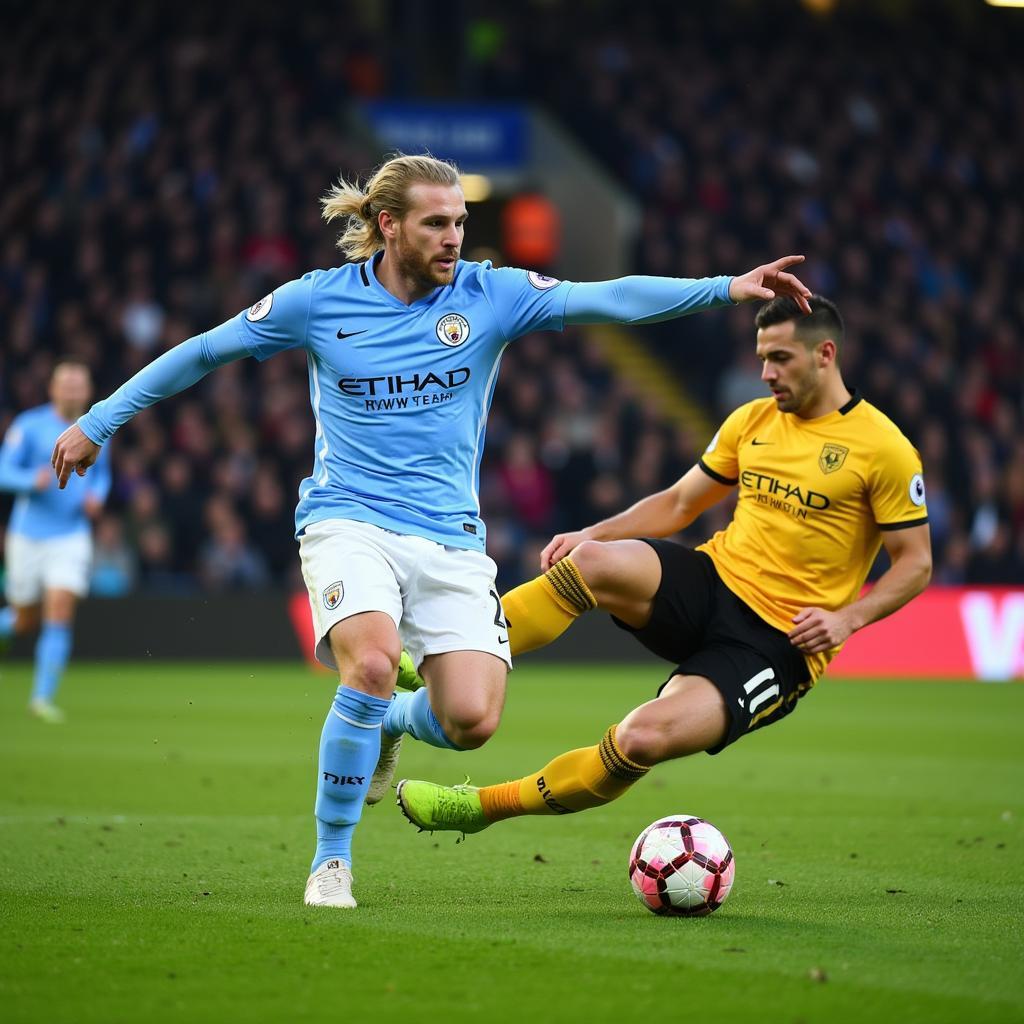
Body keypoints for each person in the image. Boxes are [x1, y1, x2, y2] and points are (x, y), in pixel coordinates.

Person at [50, 153, 812, 909]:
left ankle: (391, 726)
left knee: (472, 722)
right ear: (388, 226)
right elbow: (206, 350)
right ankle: (332, 861)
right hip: (347, 520)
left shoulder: (492, 295)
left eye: (460, 223)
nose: (454, 238)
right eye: (437, 224)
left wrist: (726, 289)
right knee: (373, 664)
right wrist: (99, 421)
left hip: (449, 538)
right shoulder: (317, 303)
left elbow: (605, 299)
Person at [396, 296, 932, 835]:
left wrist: (847, 619)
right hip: (712, 581)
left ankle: (481, 807)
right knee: (592, 562)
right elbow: (679, 504)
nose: (766, 373)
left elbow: (916, 564)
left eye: (781, 359)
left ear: (825, 354)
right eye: (761, 358)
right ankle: (431, 662)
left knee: (640, 739)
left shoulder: (883, 449)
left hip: (777, 642)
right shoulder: (753, 420)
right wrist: (592, 532)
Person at [0, 360, 111, 722]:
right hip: (28, 536)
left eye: (79, 386)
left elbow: (102, 475)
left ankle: (41, 700)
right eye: (66, 385)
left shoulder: (96, 428)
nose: (73, 392)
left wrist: (97, 494)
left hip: (71, 534)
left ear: (88, 391)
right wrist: (30, 480)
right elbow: (3, 471)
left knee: (59, 610)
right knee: (23, 620)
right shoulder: (29, 426)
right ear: (52, 389)